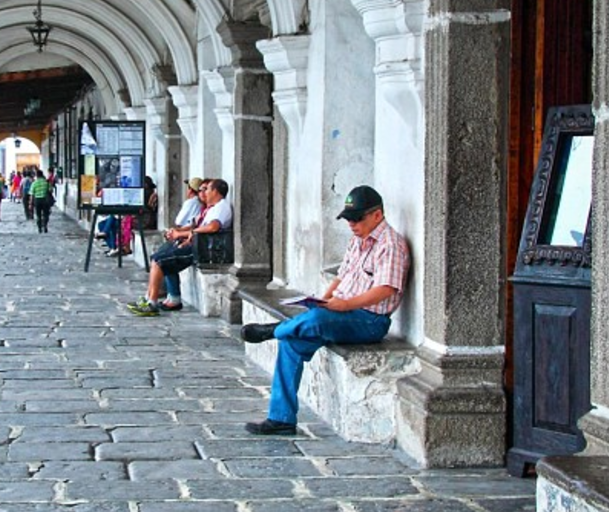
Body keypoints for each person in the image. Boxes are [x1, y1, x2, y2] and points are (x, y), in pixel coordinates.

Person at [241, 185, 410, 436]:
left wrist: (343, 305)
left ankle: (274, 329)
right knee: (291, 342)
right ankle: (282, 418)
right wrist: (324, 299)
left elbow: (386, 288)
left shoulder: (390, 244)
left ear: (377, 215)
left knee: (317, 320)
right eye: (348, 219)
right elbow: (342, 276)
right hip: (340, 313)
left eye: (357, 218)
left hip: (369, 320)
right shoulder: (358, 241)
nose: (352, 224)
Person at [128, 178, 232, 317]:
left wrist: (190, 233)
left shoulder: (221, 207)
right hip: (197, 243)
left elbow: (213, 227)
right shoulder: (212, 208)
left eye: (207, 189)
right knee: (163, 255)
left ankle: (152, 302)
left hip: (204, 248)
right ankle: (171, 298)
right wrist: (182, 234)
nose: (204, 193)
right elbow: (196, 225)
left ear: (215, 191)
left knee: (159, 261)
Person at [30, 169, 52, 233]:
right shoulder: (46, 182)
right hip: (45, 200)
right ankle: (45, 226)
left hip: (37, 200)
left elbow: (32, 194)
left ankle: (39, 228)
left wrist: (30, 204)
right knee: (46, 214)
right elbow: (50, 190)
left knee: (38, 215)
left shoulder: (34, 183)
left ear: (37, 175)